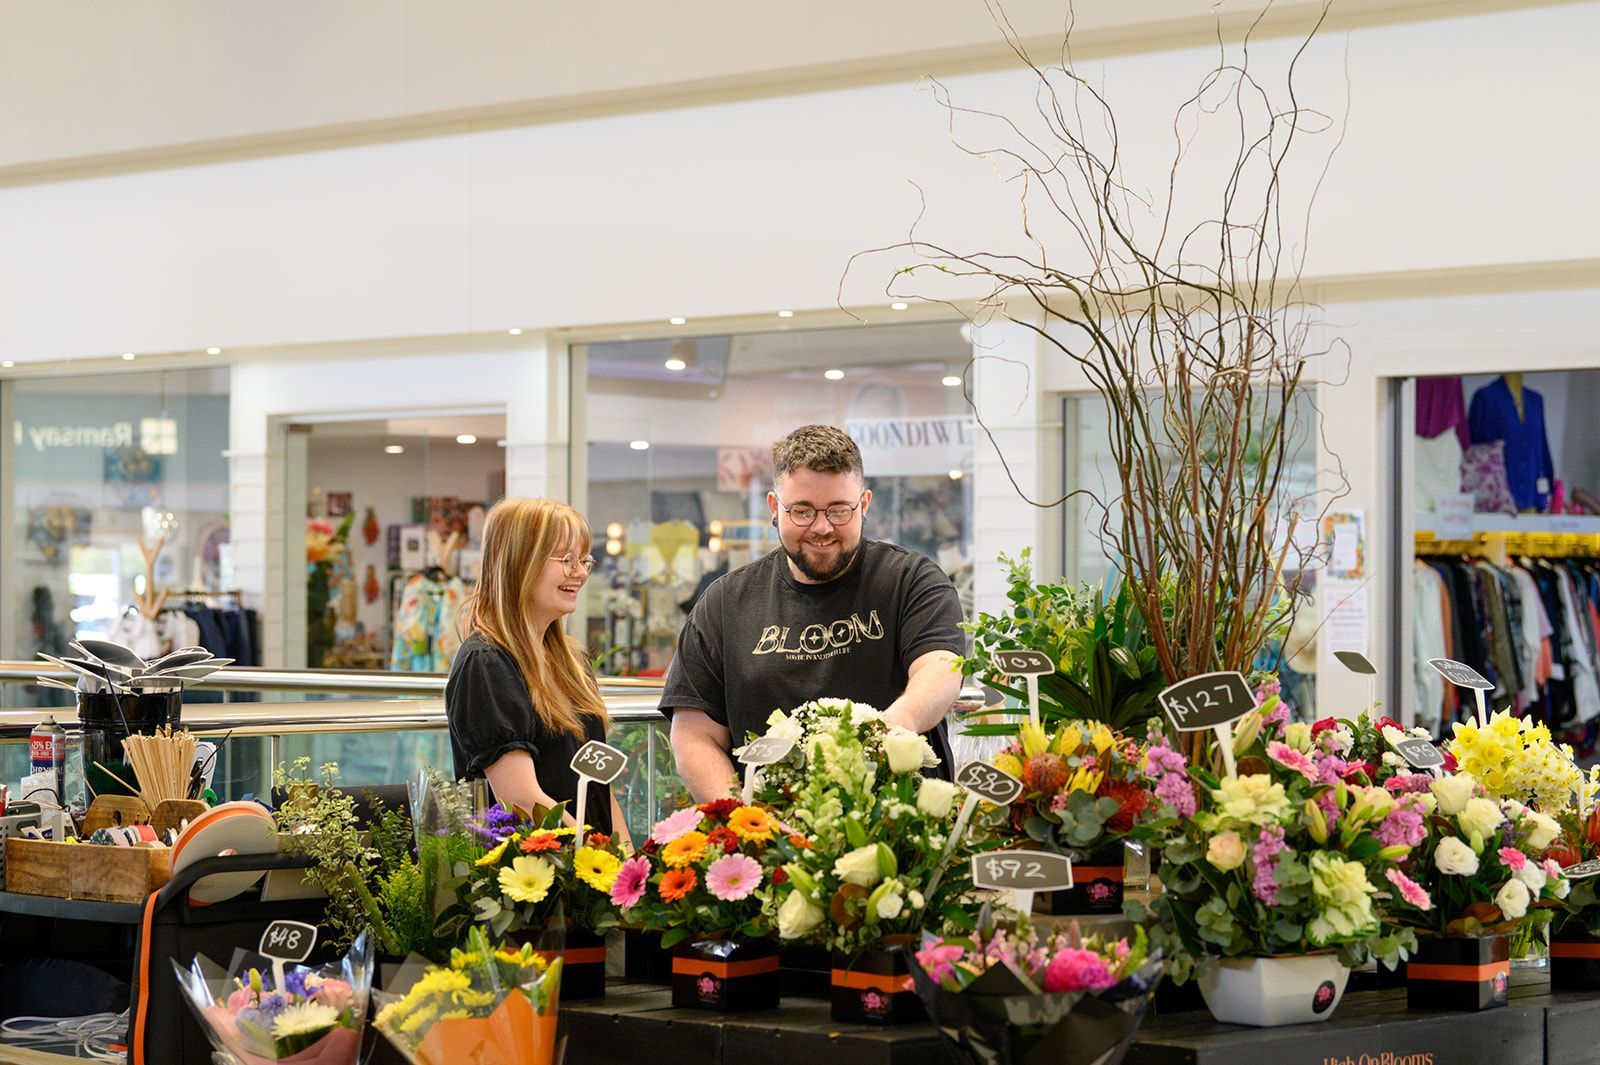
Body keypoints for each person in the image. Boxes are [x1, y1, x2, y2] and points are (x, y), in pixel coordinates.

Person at [662, 424, 966, 801]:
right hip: (773, 845)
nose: (822, 528)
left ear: (864, 505)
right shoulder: (725, 602)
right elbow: (694, 735)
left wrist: (884, 733)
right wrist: (744, 819)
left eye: (839, 510)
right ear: (775, 507)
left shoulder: (911, 581)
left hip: (899, 838)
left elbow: (940, 670)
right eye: (802, 511)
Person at [444, 497, 629, 844]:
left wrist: (628, 868)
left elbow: (600, 793)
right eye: (566, 560)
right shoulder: (486, 663)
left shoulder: (571, 661)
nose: (581, 572)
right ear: (519, 563)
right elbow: (522, 802)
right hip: (539, 877)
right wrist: (595, 860)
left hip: (587, 869)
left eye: (584, 559)